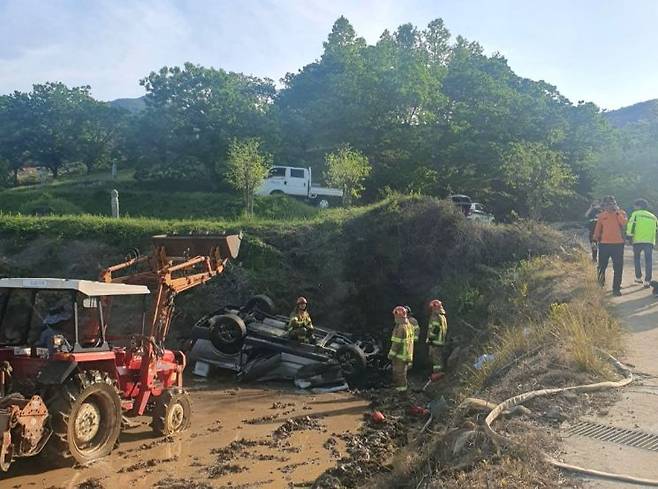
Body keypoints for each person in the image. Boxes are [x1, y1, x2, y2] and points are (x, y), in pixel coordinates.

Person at [593, 195, 628, 296]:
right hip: (604, 244)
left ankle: (616, 289)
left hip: (618, 244)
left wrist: (617, 212)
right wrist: (594, 241)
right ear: (604, 205)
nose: (609, 205)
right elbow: (597, 230)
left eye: (611, 203)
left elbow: (624, 223)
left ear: (615, 203)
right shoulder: (601, 215)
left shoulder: (621, 213)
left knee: (618, 267)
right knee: (601, 266)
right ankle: (600, 285)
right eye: (607, 204)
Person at [626, 198, 658, 288]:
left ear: (639, 206)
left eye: (635, 206)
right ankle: (647, 281)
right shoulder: (653, 216)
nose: (633, 207)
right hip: (650, 241)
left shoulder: (636, 214)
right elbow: (656, 229)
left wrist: (629, 237)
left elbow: (631, 226)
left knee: (637, 258)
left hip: (638, 240)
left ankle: (638, 277)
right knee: (648, 261)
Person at [388, 305, 415, 393]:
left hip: (400, 356)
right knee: (402, 375)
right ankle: (402, 393)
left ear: (398, 316)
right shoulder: (409, 325)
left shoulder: (400, 327)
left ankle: (402, 395)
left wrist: (391, 355)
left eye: (395, 316)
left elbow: (396, 343)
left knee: (399, 375)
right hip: (406, 355)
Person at [426, 299, 448, 373]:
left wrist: (430, 339)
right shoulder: (442, 316)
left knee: (436, 359)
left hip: (435, 341)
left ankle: (437, 373)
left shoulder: (435, 316)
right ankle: (439, 372)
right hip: (440, 340)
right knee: (438, 357)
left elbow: (436, 328)